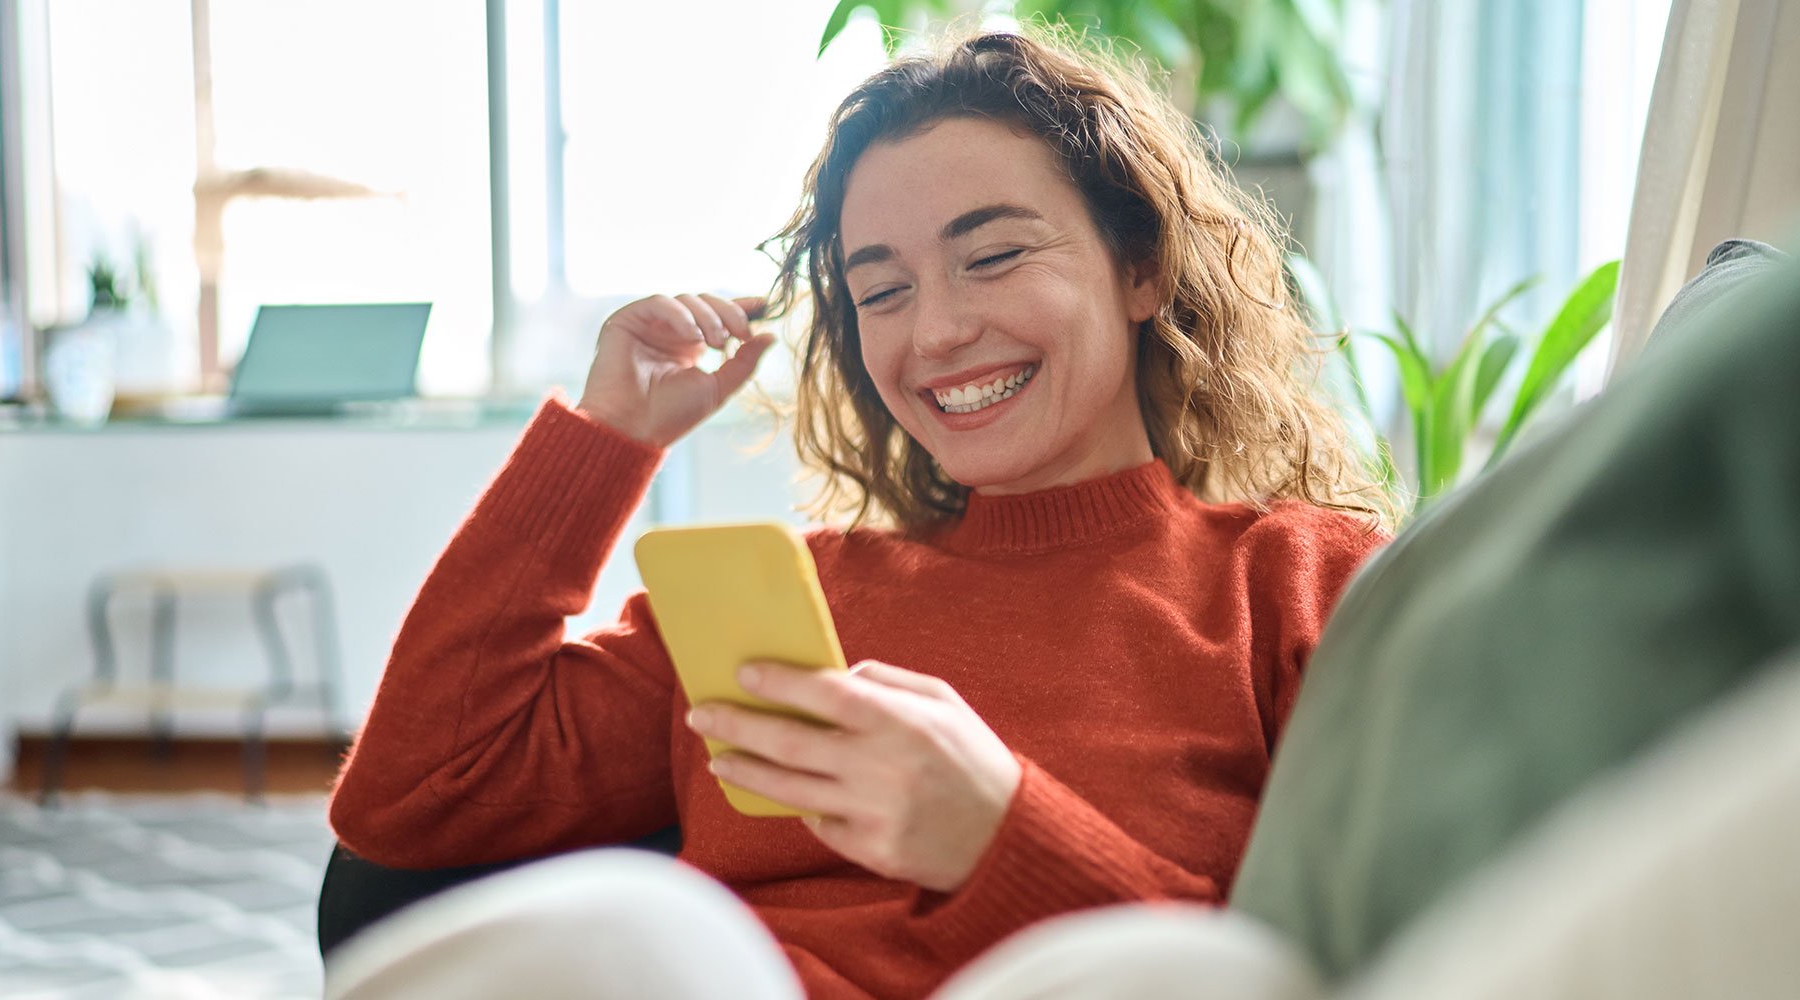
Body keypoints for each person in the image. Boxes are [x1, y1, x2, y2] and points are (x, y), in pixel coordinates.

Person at [326, 27, 1392, 1000]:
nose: (933, 333)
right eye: (880, 290)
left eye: (993, 256)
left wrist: (1000, 836)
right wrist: (606, 439)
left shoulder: (1299, 584)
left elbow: (1370, 960)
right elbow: (414, 796)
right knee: (635, 928)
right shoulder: (792, 606)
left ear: (1140, 267)